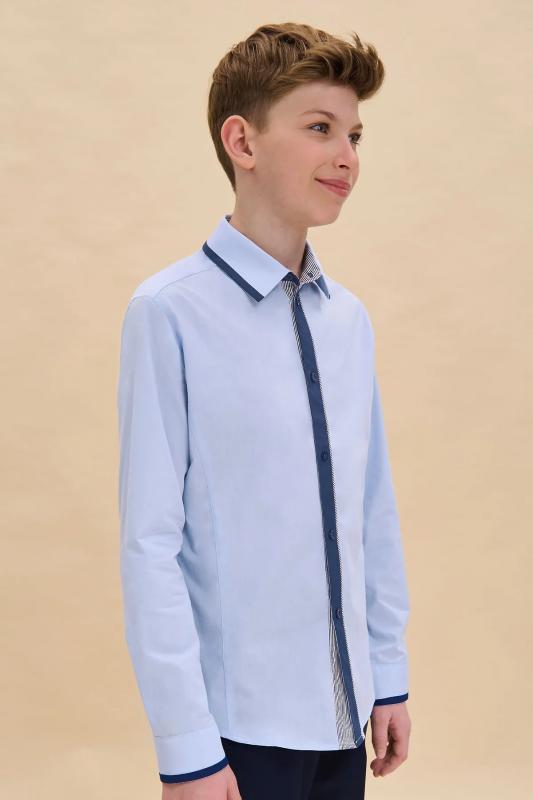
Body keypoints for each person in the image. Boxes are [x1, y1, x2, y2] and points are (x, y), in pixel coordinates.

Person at [117, 21, 411, 800]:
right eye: (319, 128)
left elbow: (370, 510)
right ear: (241, 141)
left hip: (344, 719)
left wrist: (387, 675)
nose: (346, 156)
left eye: (353, 134)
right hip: (238, 729)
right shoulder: (169, 313)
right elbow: (150, 545)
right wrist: (187, 748)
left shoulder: (347, 319)